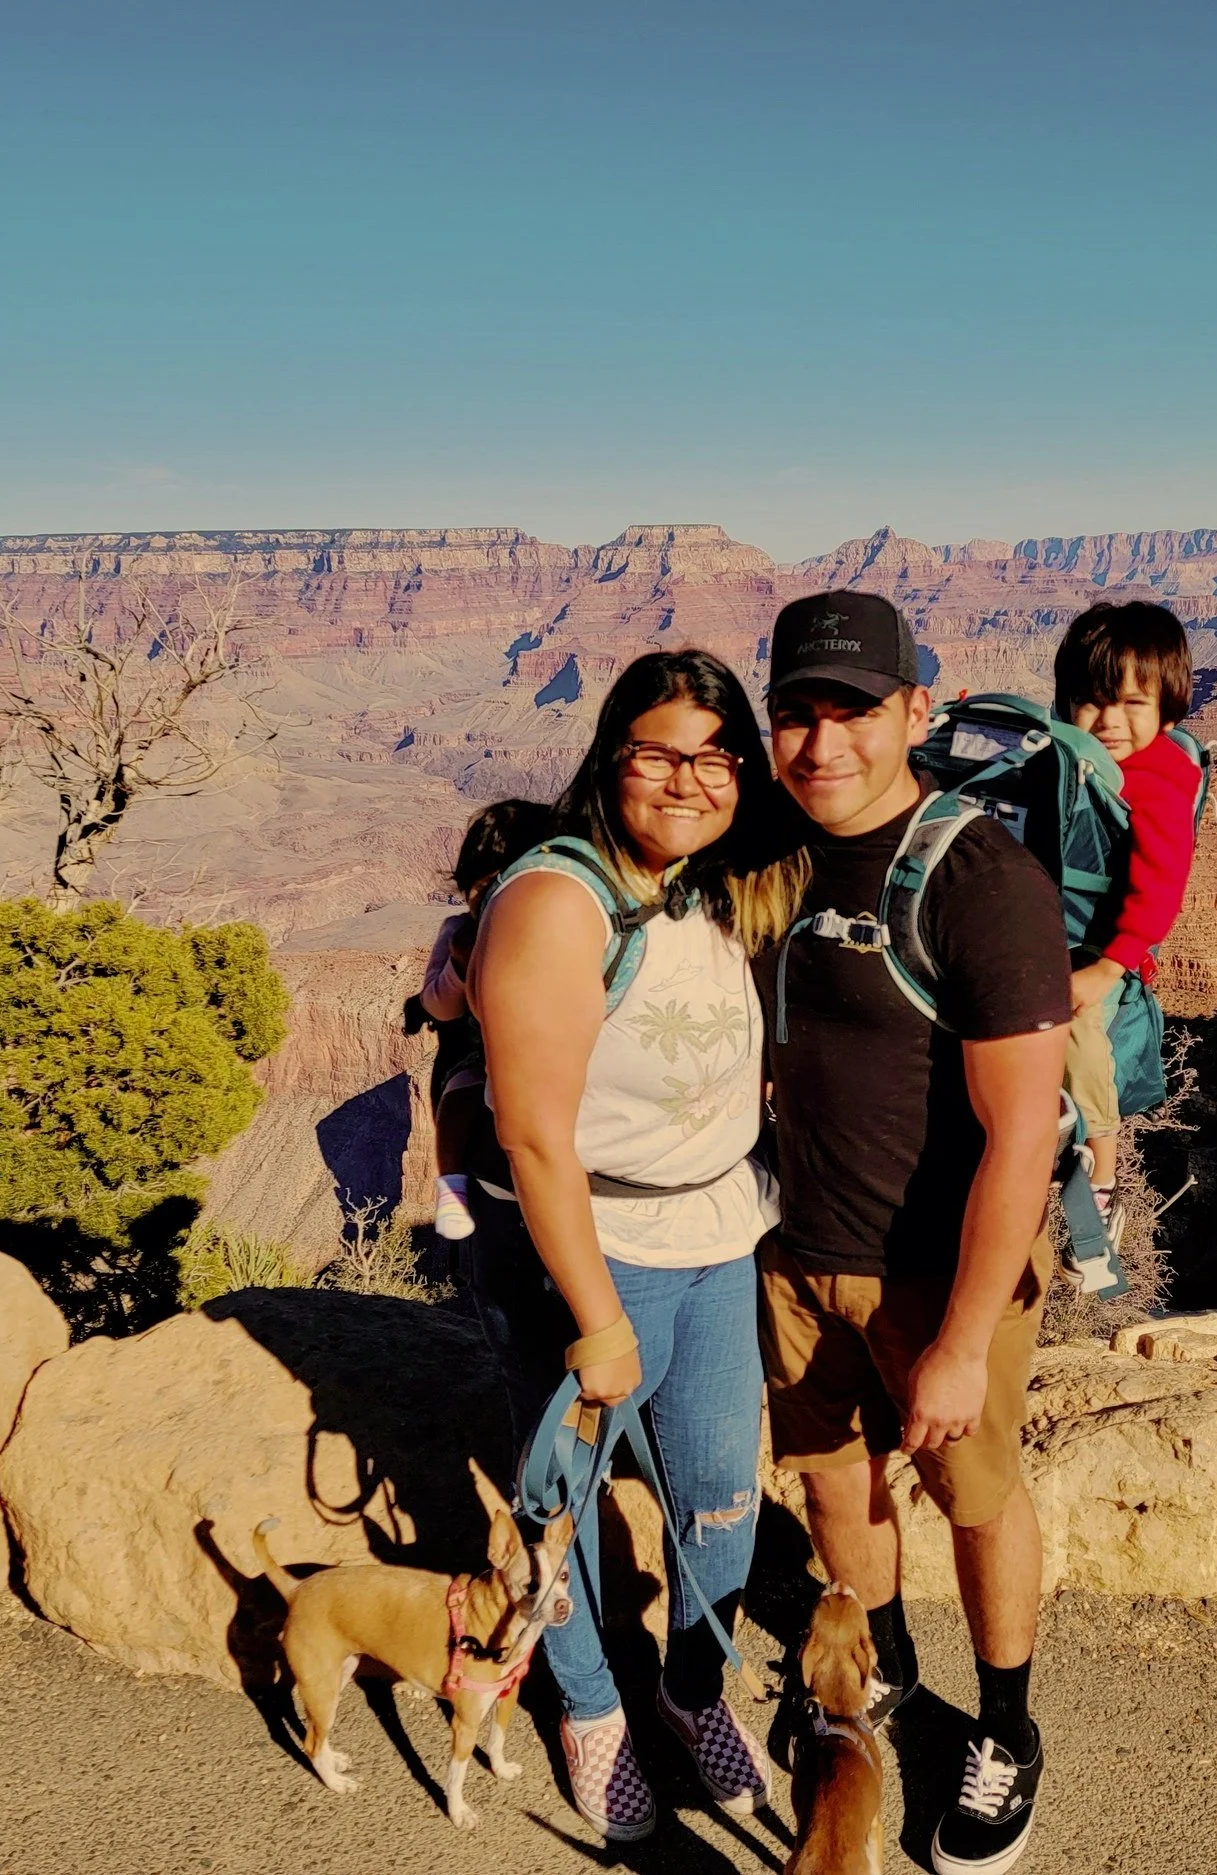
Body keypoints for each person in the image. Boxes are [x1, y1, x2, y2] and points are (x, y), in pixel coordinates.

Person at [463, 649, 807, 1844]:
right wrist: (598, 1320)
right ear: (609, 756)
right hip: (590, 1249)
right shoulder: (559, 900)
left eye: (717, 758)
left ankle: (691, 1688)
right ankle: (592, 1708)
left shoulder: (719, 884)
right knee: (556, 1506)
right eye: (659, 752)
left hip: (717, 1230)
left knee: (718, 1496)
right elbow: (531, 1136)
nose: (688, 780)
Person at [757, 591, 1070, 1875]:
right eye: (795, 713)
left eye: (852, 711)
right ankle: (878, 1677)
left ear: (912, 713)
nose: (821, 743)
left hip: (938, 1269)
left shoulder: (977, 879)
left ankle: (1005, 1729)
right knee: (835, 1481)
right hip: (789, 1254)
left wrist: (957, 1337)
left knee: (974, 1497)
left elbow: (1020, 1134)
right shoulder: (760, 852)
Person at [1050, 601, 1202, 1215]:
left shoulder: (1158, 783)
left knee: (1072, 1026)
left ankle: (1102, 1175)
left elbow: (1159, 889)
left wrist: (1107, 970)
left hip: (1104, 951)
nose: (1109, 720)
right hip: (1050, 930)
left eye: (1132, 704)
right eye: (1091, 701)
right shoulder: (1077, 757)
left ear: (1167, 706)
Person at [410, 797, 554, 1242]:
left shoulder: (560, 926)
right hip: (482, 1051)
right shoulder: (457, 932)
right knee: (460, 1095)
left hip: (547, 1057)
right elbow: (438, 1007)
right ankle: (452, 1189)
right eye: (485, 887)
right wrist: (459, 963)